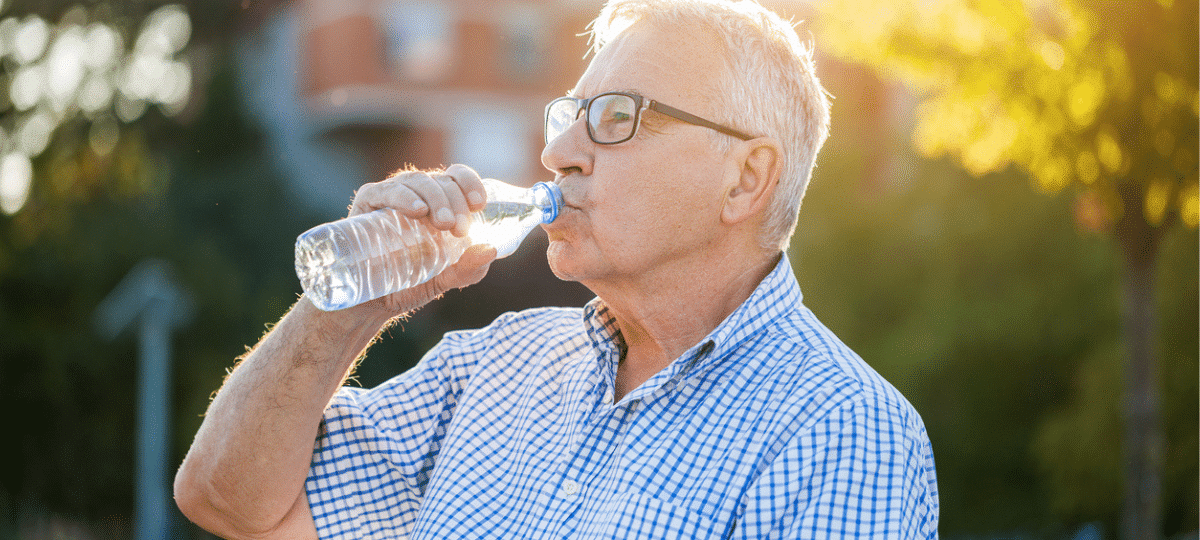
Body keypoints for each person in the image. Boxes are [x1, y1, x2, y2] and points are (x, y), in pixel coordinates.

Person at [174, 0, 940, 538]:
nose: (557, 153)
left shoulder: (842, 430)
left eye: (615, 118)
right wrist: (350, 307)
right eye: (568, 116)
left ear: (744, 179)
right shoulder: (493, 368)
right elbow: (228, 502)